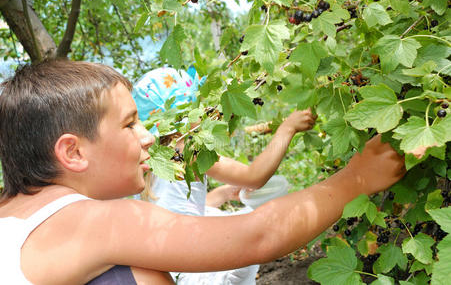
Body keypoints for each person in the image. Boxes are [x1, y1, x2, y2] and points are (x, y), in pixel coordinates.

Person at [0, 60, 405, 284]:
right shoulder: (93, 221)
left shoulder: (14, 215)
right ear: (72, 151)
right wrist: (357, 178)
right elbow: (258, 235)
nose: (148, 138)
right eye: (129, 125)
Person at [133, 66, 317, 284]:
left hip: (164, 263)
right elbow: (254, 176)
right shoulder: (188, 150)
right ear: (183, 116)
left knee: (227, 219)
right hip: (191, 268)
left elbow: (180, 207)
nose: (204, 114)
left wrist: (224, 193)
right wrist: (287, 128)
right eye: (197, 108)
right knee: (252, 231)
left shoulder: (150, 158)